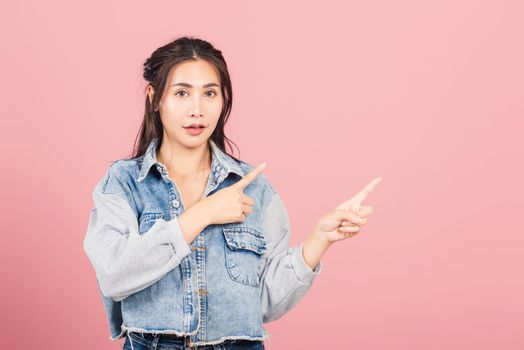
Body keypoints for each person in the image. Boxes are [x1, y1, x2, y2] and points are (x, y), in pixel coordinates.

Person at [83, 36, 381, 350]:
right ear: (155, 98)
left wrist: (319, 239)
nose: (197, 109)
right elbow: (114, 276)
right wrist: (202, 214)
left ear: (223, 99)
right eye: (182, 93)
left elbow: (265, 304)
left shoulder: (253, 186)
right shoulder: (124, 182)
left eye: (209, 93)